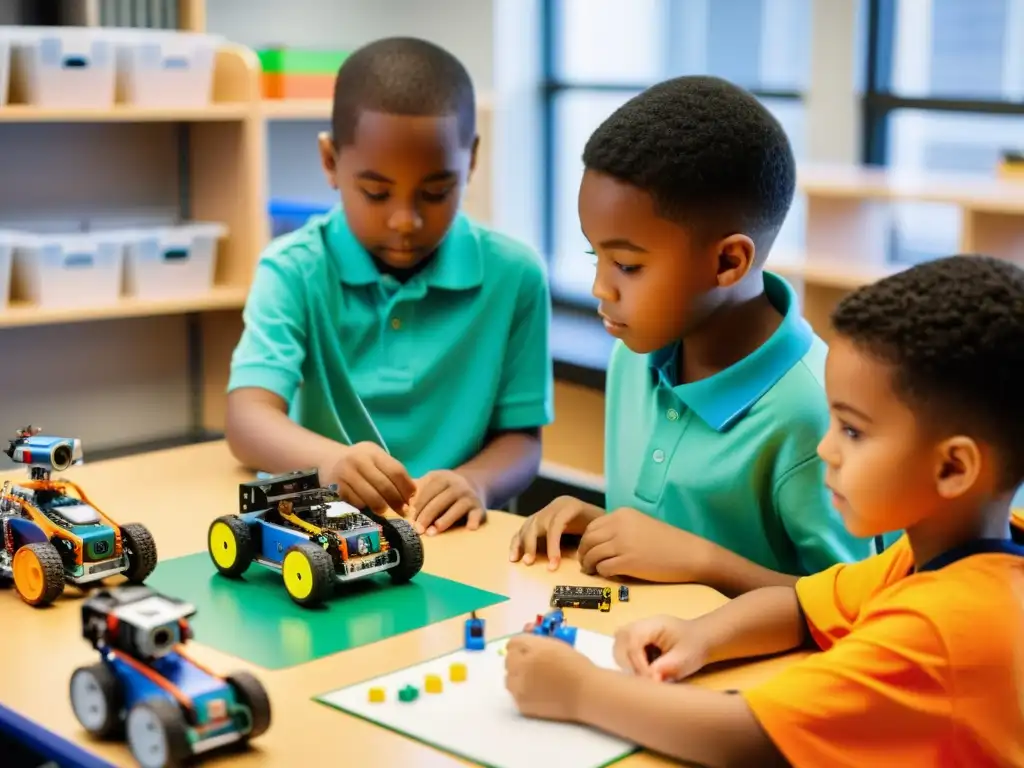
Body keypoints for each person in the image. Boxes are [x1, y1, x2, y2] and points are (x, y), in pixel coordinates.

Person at [504, 255, 1024, 767]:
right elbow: (802, 605)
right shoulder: (948, 552)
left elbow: (749, 739)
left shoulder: (941, 628)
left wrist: (579, 690)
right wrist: (700, 636)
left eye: (852, 430)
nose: (826, 450)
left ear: (954, 468)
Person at [509, 75, 872, 596]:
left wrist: (702, 562)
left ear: (729, 262)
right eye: (596, 255)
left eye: (628, 266)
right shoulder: (632, 358)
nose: (599, 288)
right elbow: (658, 549)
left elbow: (860, 616)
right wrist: (601, 526)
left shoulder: (818, 414)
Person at [226, 37, 553, 535]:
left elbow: (523, 440)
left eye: (436, 192)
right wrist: (331, 463)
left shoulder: (516, 275)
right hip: (326, 533)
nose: (405, 220)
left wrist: (476, 483)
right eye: (376, 192)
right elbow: (247, 420)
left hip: (460, 538)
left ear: (472, 161)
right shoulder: (293, 269)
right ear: (330, 161)